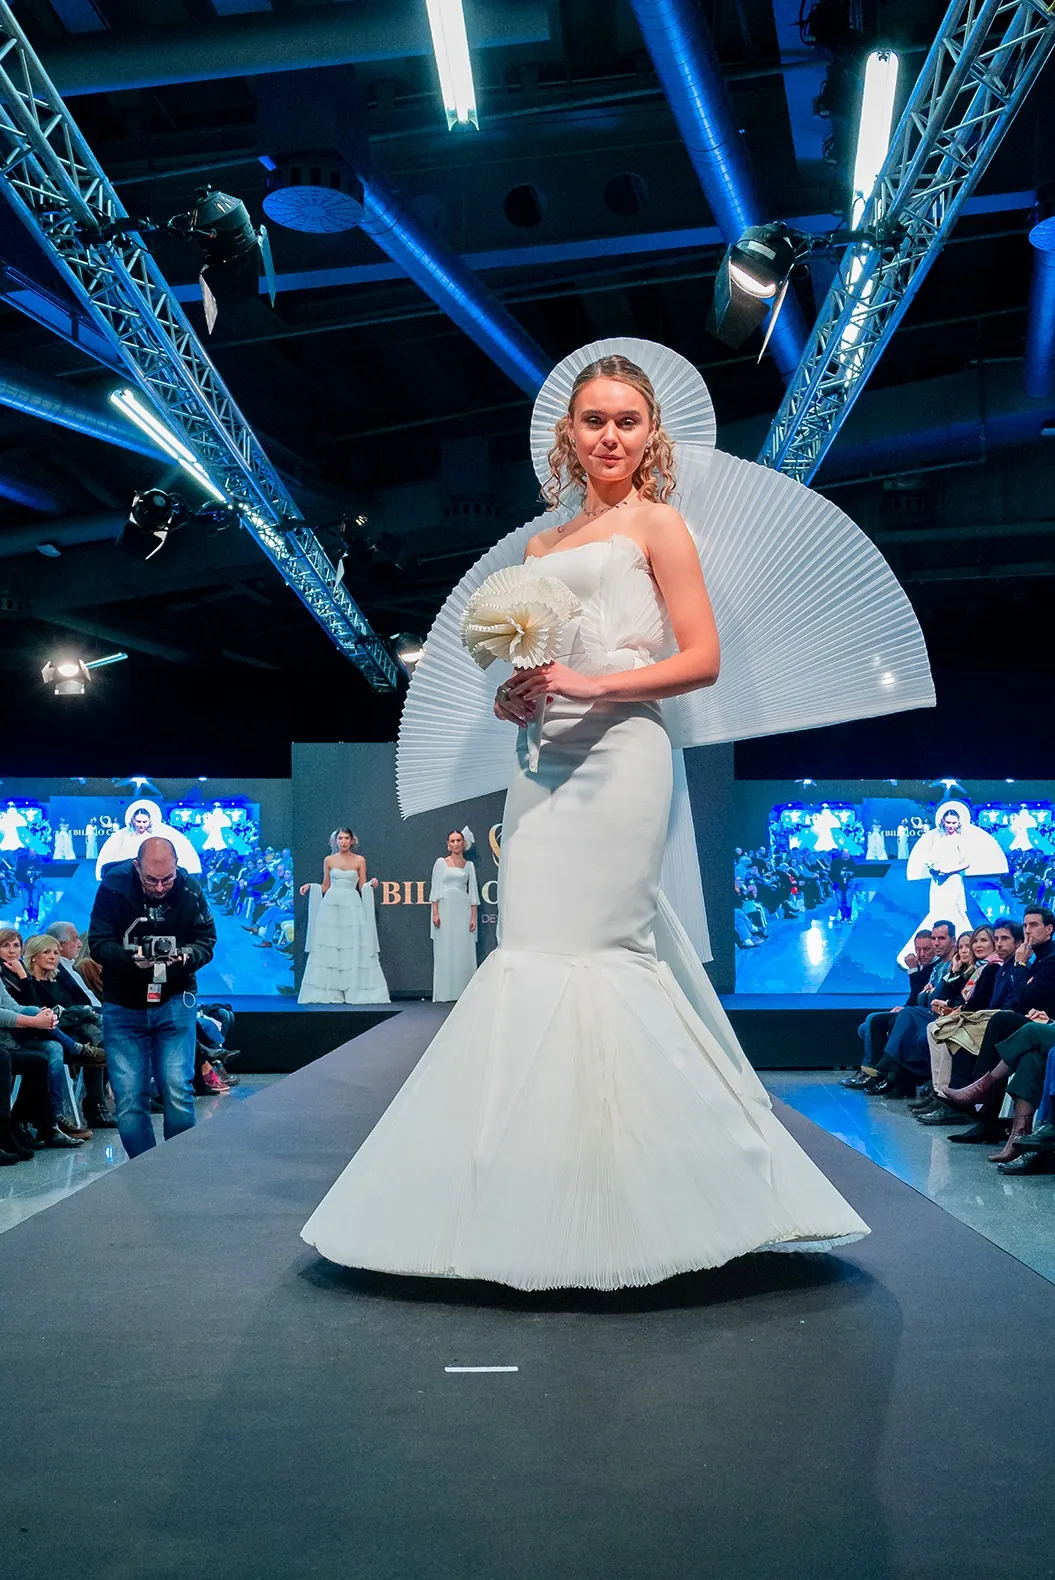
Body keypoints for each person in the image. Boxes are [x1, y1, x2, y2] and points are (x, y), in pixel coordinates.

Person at [300, 343, 912, 1289]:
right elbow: (526, 665)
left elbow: (700, 658)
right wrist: (518, 697)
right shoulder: (539, 549)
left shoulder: (660, 526)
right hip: (540, 766)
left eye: (628, 419)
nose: (611, 434)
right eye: (595, 419)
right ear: (567, 436)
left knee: (603, 954)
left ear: (651, 433)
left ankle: (661, 1199)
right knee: (531, 955)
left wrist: (593, 679)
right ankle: (523, 1191)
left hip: (626, 754)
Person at [88, 836, 216, 1159]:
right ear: (136, 867)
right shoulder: (113, 887)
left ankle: (176, 1169)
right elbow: (99, 944)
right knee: (129, 1100)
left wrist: (187, 957)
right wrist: (131, 959)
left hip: (175, 1000)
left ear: (177, 868)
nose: (160, 887)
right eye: (151, 880)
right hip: (123, 1005)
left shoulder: (188, 889)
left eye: (167, 879)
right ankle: (146, 1171)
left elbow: (207, 940)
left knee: (178, 1093)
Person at [902, 800, 1007, 957]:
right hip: (937, 881)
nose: (951, 825)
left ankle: (960, 948)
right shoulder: (936, 839)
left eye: (954, 822)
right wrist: (933, 869)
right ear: (943, 821)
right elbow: (930, 858)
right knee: (936, 910)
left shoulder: (960, 839)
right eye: (948, 822)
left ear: (958, 823)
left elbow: (966, 862)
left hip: (952, 880)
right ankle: (932, 948)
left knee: (952, 910)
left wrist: (948, 871)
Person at [297, 829, 389, 1005]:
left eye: (347, 838)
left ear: (352, 840)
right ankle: (331, 991)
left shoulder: (359, 860)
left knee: (352, 944)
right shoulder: (329, 860)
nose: (344, 841)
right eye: (340, 838)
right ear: (335, 841)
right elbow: (325, 886)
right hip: (330, 906)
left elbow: (362, 886)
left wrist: (371, 885)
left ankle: (353, 988)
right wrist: (311, 886)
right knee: (331, 945)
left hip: (352, 906)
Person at [44, 920, 117, 1129]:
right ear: (60, 943)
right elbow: (65, 1005)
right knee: (104, 1036)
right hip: (73, 1023)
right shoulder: (58, 971)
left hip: (93, 1015)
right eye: (74, 938)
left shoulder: (72, 968)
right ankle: (95, 1104)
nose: (79, 943)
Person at [429, 830, 480, 1002]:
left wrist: (473, 917)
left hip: (463, 910)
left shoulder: (469, 866)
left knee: (462, 948)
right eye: (452, 840)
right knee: (445, 947)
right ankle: (445, 992)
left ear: (463, 843)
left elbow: (473, 893)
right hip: (445, 908)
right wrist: (435, 912)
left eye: (459, 840)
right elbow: (435, 889)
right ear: (448, 844)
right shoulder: (441, 863)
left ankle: (463, 992)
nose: (456, 843)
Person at [94, 799, 200, 880]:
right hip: (127, 873)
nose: (141, 825)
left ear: (149, 822)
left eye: (144, 822)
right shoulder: (123, 836)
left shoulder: (154, 837)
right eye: (138, 821)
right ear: (133, 821)